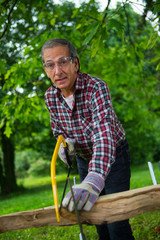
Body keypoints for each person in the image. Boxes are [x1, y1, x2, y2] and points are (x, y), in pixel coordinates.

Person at [42, 38, 134, 240]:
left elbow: (104, 135)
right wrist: (65, 146)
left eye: (63, 62)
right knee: (97, 219)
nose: (58, 71)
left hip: (115, 156)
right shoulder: (50, 97)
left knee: (116, 219)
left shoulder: (96, 87)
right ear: (46, 70)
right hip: (84, 158)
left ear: (76, 63)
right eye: (50, 65)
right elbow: (57, 129)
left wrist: (94, 179)